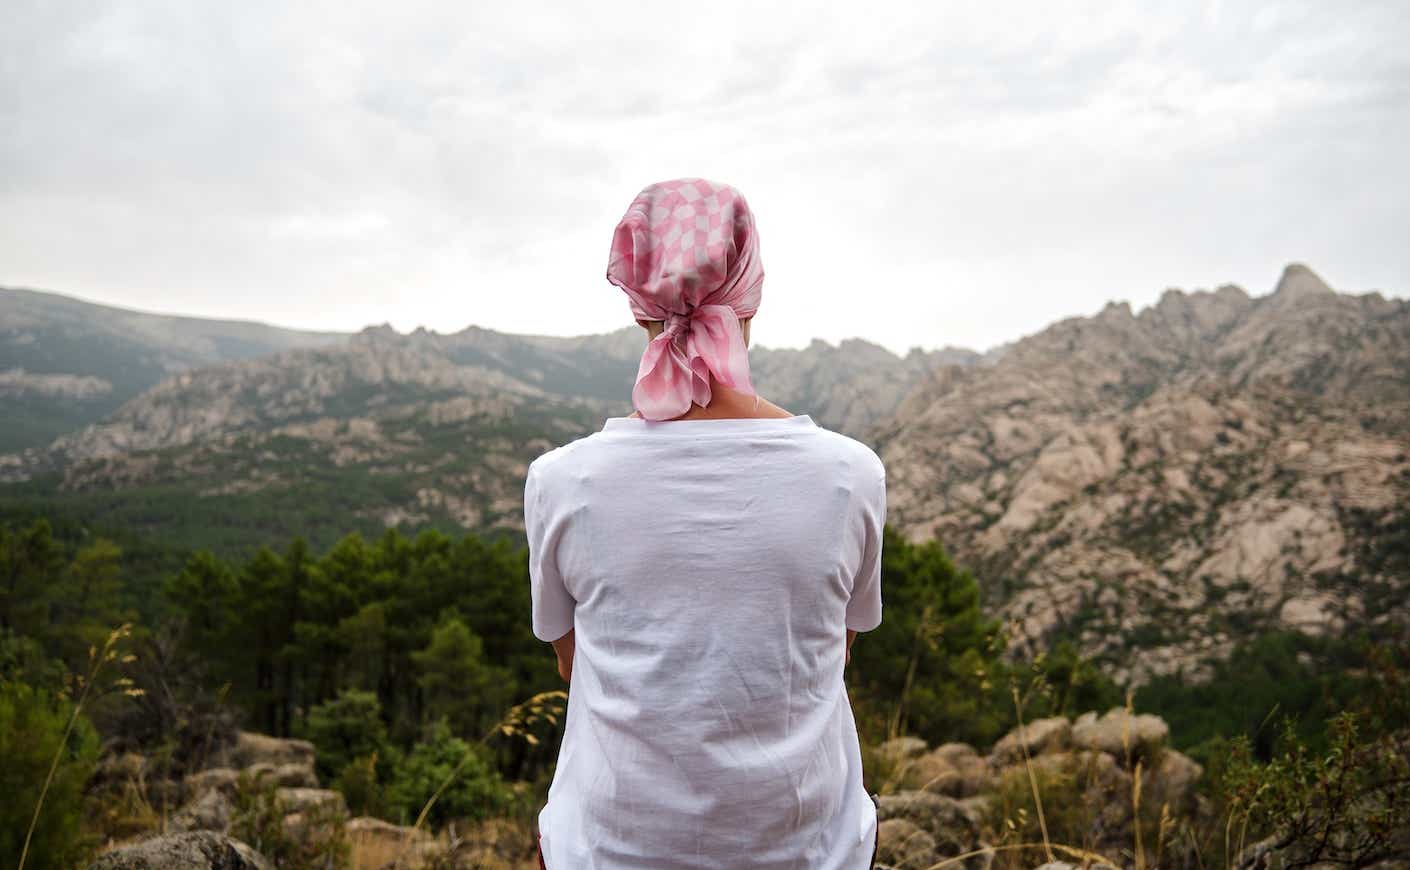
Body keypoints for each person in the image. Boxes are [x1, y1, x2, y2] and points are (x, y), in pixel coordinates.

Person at [524, 178, 886, 869]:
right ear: (752, 293)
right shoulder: (850, 474)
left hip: (606, 851)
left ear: (638, 310)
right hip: (810, 852)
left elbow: (573, 665)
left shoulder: (562, 481)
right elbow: (832, 653)